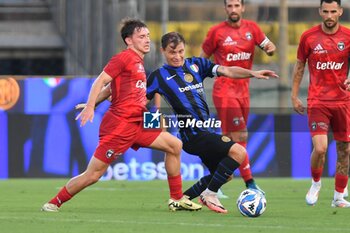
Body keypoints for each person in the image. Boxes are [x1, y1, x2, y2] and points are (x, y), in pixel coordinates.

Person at [41, 18, 202, 212]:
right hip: (120, 126)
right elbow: (100, 81)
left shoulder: (139, 63)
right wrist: (91, 105)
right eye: (141, 36)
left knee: (174, 145)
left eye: (148, 36)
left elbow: (110, 89)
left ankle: (176, 198)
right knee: (93, 175)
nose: (147, 40)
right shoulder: (124, 58)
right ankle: (54, 202)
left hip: (138, 123)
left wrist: (96, 101)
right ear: (129, 40)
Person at [146, 32, 277, 213]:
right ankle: (210, 194)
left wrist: (252, 73)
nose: (177, 56)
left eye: (180, 51)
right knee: (239, 152)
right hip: (192, 135)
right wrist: (151, 128)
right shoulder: (158, 76)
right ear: (163, 51)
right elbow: (142, 103)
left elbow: (228, 70)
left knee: (226, 174)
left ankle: (182, 199)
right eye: (172, 52)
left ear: (185, 49)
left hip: (204, 132)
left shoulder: (197, 64)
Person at [200, 0, 276, 194]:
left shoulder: (253, 29)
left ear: (243, 7)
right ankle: (250, 183)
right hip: (224, 92)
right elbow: (201, 61)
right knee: (241, 135)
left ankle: (215, 182)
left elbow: (269, 45)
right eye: (230, 6)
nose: (233, 9)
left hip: (243, 92)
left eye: (236, 5)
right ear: (225, 8)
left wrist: (270, 49)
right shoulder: (216, 32)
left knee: (227, 139)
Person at [291, 0, 350, 208]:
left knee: (345, 150)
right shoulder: (308, 37)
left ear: (340, 12)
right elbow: (299, 67)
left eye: (333, 11)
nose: (329, 15)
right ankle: (316, 183)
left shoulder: (348, 36)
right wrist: (294, 95)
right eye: (325, 11)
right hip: (318, 101)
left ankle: (339, 196)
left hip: (343, 101)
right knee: (321, 147)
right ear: (320, 12)